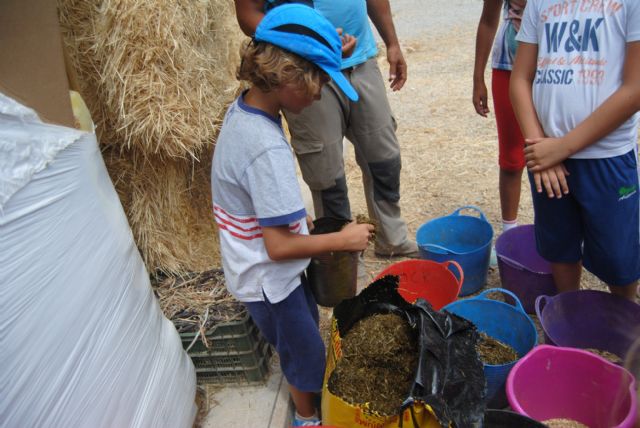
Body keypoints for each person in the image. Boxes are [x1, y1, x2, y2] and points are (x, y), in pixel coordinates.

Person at [211, 5, 373, 426]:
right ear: (287, 76)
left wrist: (321, 44)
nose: (321, 94)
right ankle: (308, 417)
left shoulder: (247, 109)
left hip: (257, 271)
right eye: (318, 81)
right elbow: (279, 246)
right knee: (304, 353)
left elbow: (283, 40)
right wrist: (344, 240)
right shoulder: (265, 148)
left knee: (299, 340)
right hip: (269, 280)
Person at [235, 0, 418, 258]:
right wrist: (310, 42)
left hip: (361, 60)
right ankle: (344, 261)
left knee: (385, 158)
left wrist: (392, 42)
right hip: (304, 69)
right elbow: (247, 13)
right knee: (326, 175)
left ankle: (392, 240)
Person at [510, 0, 640, 301]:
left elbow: (634, 90)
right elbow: (519, 79)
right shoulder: (541, 2)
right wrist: (541, 147)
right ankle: (568, 313)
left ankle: (623, 322)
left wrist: (562, 147)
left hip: (606, 157)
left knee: (618, 256)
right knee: (559, 245)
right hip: (545, 154)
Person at [473, 0, 527, 233]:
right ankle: (510, 233)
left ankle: (563, 232)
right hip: (509, 67)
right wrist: (478, 79)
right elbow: (488, 20)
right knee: (512, 157)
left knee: (560, 152)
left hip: (557, 67)